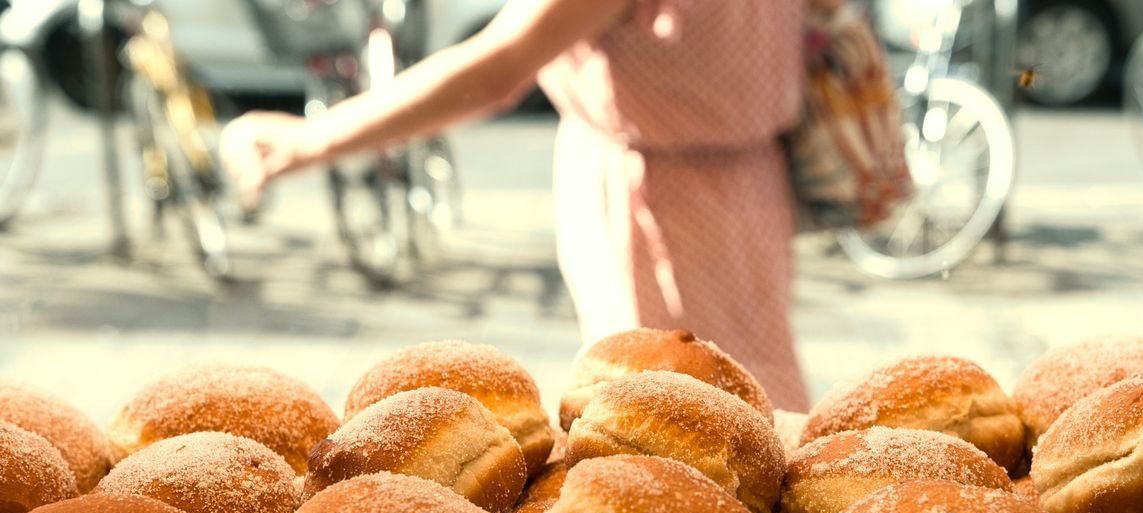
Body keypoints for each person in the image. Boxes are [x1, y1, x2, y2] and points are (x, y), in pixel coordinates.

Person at [221, 0, 812, 410]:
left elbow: (498, 68)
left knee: (671, 414)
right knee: (746, 393)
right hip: (748, 180)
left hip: (655, 197)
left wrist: (309, 139)